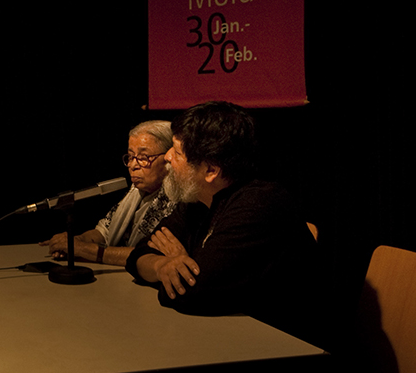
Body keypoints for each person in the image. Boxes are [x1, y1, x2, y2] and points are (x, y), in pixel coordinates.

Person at [126, 101, 331, 349]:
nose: (168, 157)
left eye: (178, 153)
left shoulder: (259, 205)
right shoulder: (197, 199)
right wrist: (162, 266)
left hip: (288, 359)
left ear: (211, 170)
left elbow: (190, 293)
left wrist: (185, 262)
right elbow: (138, 254)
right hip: (234, 342)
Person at [41, 121, 177, 266]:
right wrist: (74, 242)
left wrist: (84, 249)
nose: (132, 165)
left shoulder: (177, 199)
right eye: (130, 157)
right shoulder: (136, 191)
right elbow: (104, 232)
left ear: (169, 158)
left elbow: (149, 253)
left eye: (143, 158)